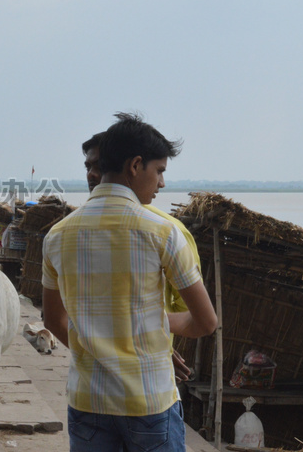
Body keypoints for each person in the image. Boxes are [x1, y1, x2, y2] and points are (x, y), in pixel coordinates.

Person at [42, 113, 217, 451]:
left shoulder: (57, 236)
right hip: (148, 401)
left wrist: (93, 345)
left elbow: (53, 321)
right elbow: (206, 322)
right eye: (160, 170)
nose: (162, 183)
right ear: (136, 165)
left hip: (87, 401)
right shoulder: (163, 232)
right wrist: (159, 320)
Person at [82, 132, 201, 381]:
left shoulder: (169, 232)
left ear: (126, 165)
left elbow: (183, 307)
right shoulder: (72, 233)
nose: (94, 174)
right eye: (89, 166)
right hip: (104, 375)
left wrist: (153, 346)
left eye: (100, 165)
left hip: (143, 371)